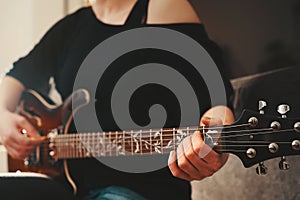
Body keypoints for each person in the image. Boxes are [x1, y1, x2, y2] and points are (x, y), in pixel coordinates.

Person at [0, 0, 235, 199]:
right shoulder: (70, 28)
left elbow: (218, 99)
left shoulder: (160, 8)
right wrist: (3, 117)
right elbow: (17, 76)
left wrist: (214, 143)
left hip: (141, 190)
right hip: (67, 187)